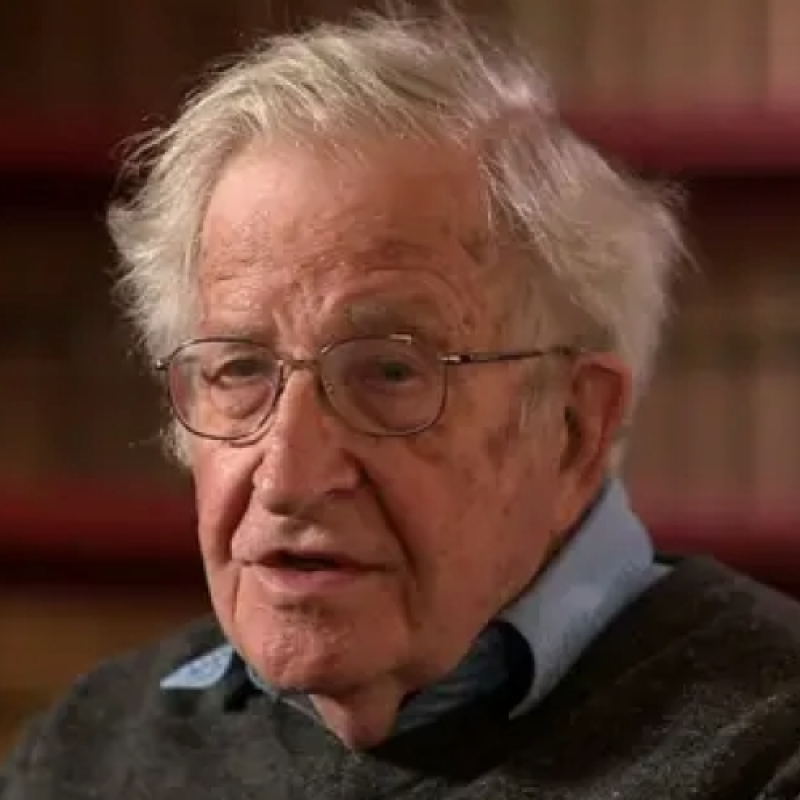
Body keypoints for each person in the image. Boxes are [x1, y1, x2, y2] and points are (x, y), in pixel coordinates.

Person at [5, 6, 800, 799]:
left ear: (571, 427)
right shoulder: (85, 753)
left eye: (388, 372)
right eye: (241, 370)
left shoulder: (766, 752)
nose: (287, 478)